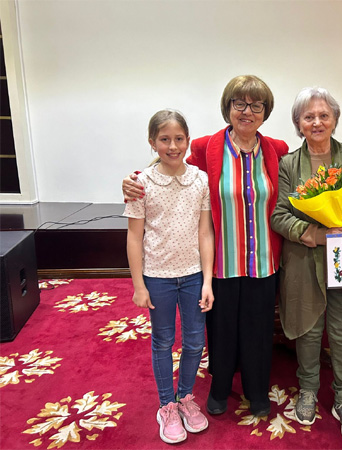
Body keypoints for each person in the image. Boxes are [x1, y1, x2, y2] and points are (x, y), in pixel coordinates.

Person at [123, 75, 289, 418]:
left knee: (258, 327)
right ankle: (220, 386)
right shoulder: (206, 147)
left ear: (265, 112)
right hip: (221, 259)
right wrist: (133, 180)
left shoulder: (276, 149)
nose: (247, 111)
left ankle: (257, 390)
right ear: (228, 108)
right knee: (221, 327)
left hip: (262, 260)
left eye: (256, 105)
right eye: (239, 104)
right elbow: (171, 162)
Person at [271, 87, 342, 444]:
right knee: (309, 329)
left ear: (334, 119)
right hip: (305, 259)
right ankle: (308, 390)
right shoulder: (289, 164)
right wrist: (317, 234)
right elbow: (279, 216)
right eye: (308, 117)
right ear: (298, 123)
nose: (316, 122)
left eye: (323, 115)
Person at [124, 109, 215, 444]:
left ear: (187, 140)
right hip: (157, 277)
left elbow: (205, 233)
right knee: (163, 341)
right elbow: (134, 236)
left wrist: (207, 281)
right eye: (165, 139)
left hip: (193, 276)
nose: (173, 146)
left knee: (195, 342)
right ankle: (167, 406)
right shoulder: (141, 183)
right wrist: (138, 285)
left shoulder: (200, 180)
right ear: (152, 142)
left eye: (179, 139)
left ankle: (185, 397)